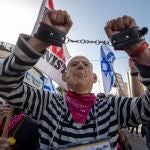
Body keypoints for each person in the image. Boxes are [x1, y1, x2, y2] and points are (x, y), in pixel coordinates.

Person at [0, 10, 150, 150]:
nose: (80, 66)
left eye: (86, 65)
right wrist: (41, 39)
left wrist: (138, 50)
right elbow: (6, 83)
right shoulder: (47, 103)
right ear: (65, 76)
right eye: (74, 64)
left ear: (94, 77)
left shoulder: (112, 106)